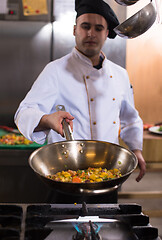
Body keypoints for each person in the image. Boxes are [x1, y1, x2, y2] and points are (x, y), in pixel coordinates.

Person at [14, 0, 146, 203]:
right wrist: (48, 119)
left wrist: (136, 149)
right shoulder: (55, 70)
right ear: (75, 29)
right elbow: (24, 112)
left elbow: (129, 118)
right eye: (85, 26)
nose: (91, 33)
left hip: (107, 180)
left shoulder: (120, 75)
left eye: (98, 28)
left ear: (106, 33)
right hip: (65, 179)